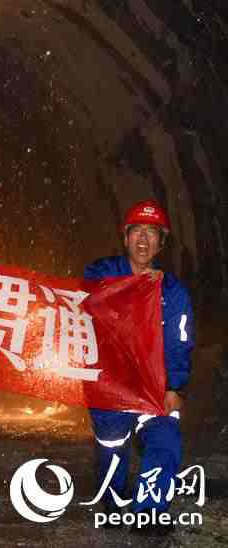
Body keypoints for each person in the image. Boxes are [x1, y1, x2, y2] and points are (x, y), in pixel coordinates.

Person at [84, 200, 194, 536]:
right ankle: (114, 501)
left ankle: (150, 511)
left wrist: (174, 386)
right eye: (137, 231)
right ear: (126, 236)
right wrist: (134, 287)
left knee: (164, 441)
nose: (143, 239)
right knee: (112, 453)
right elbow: (81, 298)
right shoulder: (102, 272)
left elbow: (179, 342)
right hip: (111, 386)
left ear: (161, 243)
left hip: (153, 386)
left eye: (152, 233)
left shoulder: (172, 291)